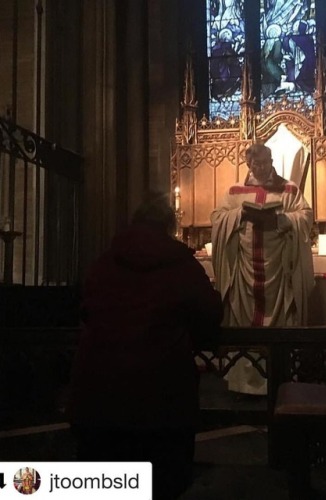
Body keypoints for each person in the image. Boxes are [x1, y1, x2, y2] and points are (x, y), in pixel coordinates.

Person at [68, 192, 223, 499]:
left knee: (105, 487)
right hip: (160, 402)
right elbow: (209, 315)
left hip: (97, 396)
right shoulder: (181, 264)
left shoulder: (104, 261)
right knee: (161, 485)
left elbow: (86, 308)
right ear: (169, 226)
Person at [211, 143, 315, 395]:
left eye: (265, 163)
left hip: (279, 270)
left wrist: (281, 219)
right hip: (245, 270)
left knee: (281, 317)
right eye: (255, 164)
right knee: (244, 321)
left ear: (271, 161)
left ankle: (279, 380)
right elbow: (217, 217)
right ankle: (243, 384)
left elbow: (306, 216)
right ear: (248, 164)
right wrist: (239, 215)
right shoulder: (235, 191)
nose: (260, 168)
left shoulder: (289, 189)